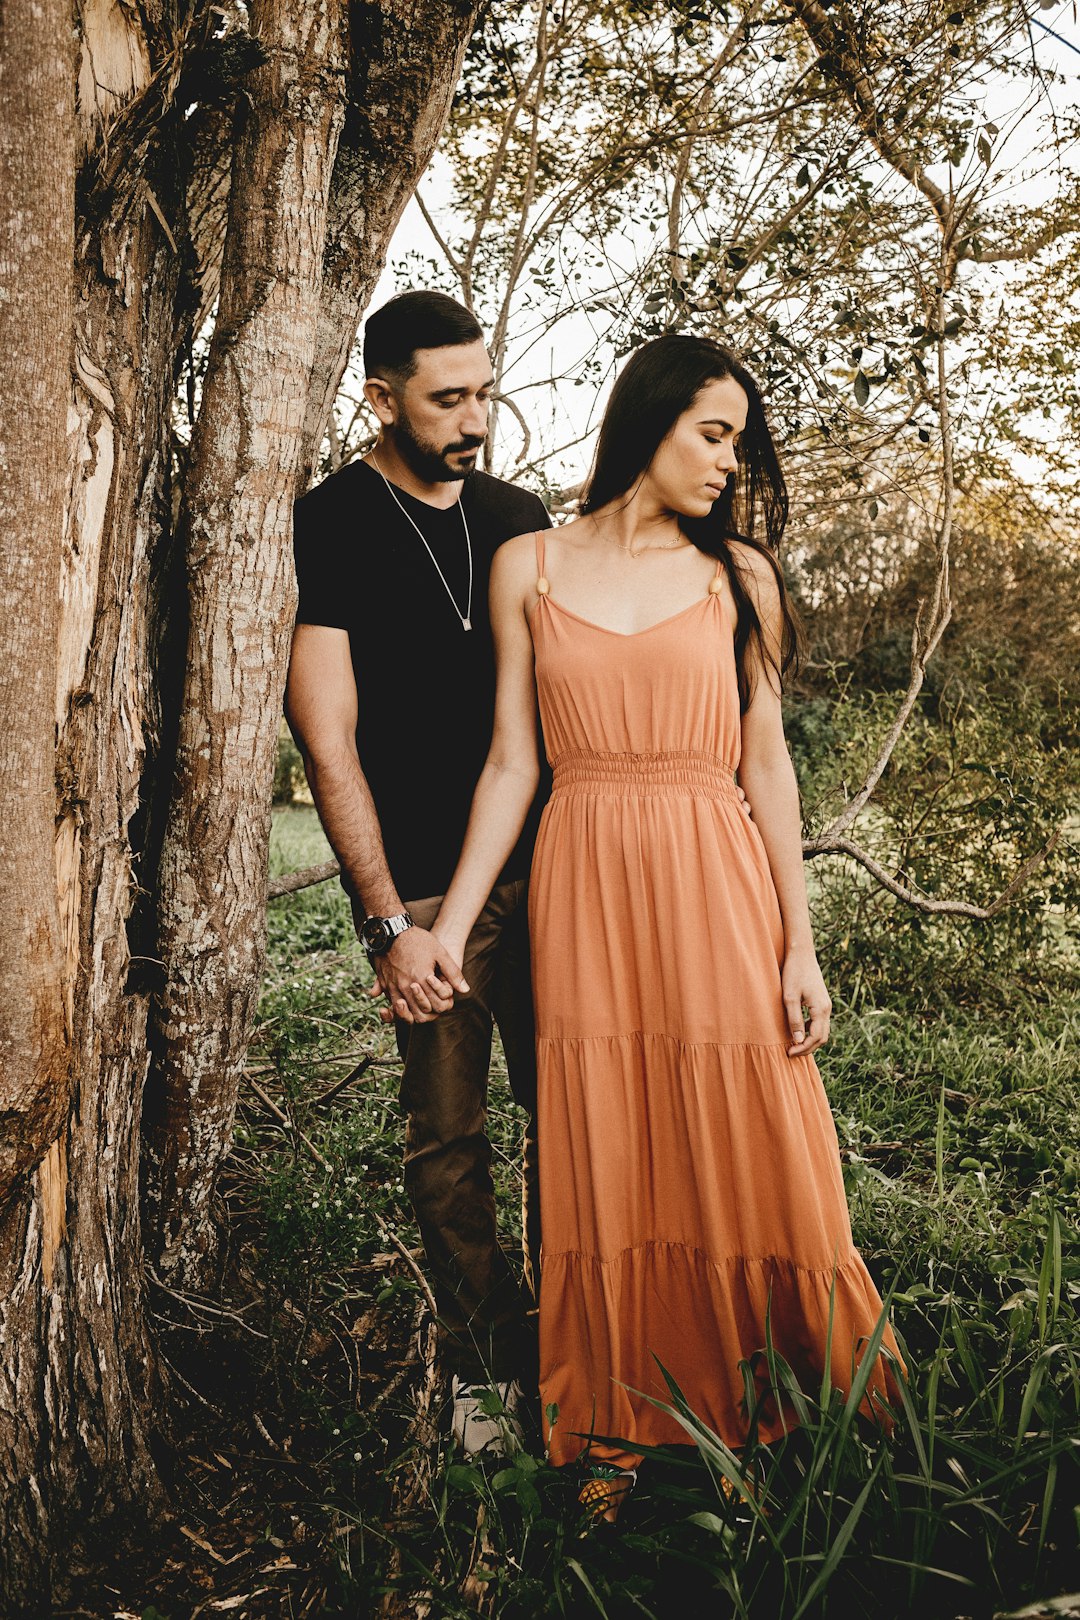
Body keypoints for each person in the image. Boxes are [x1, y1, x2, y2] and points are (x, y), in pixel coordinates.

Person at [430, 333, 902, 1518]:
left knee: (752, 1124)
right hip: (584, 879)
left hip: (715, 877)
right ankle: (612, 1420)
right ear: (649, 422)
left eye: (740, 441)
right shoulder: (528, 564)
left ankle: (783, 1398)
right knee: (608, 1143)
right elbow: (509, 764)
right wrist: (452, 924)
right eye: (714, 433)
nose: (731, 463)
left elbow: (769, 764)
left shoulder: (740, 575)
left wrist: (800, 943)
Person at [284, 290, 551, 1454]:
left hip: (548, 878)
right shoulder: (330, 521)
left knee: (580, 1121)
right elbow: (327, 737)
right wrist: (388, 923)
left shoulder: (521, 515)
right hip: (428, 900)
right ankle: (488, 1378)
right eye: (448, 399)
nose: (474, 419)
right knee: (446, 1147)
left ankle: (592, 1362)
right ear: (380, 397)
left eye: (484, 391)